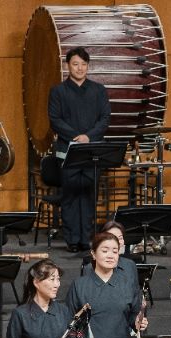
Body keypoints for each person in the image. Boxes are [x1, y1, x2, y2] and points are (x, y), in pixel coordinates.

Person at [48, 46, 111, 252]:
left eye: (84, 64)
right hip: (67, 150)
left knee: (88, 195)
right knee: (71, 195)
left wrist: (88, 137)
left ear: (88, 66)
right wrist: (76, 136)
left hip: (92, 150)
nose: (80, 68)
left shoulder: (99, 90)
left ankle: (87, 239)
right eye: (75, 64)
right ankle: (72, 240)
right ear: (68, 65)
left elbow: (104, 119)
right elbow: (55, 119)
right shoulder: (58, 91)